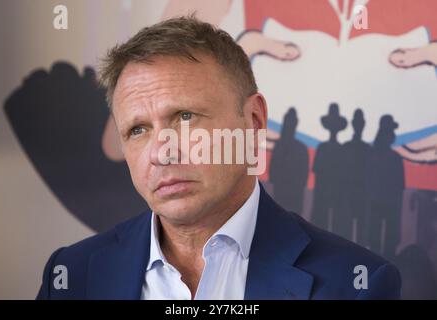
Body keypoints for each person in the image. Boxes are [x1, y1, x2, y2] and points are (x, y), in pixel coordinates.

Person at [37, 16, 401, 300]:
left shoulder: (356, 284)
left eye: (185, 117)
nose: (162, 152)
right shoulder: (71, 275)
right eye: (137, 130)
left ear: (254, 121)